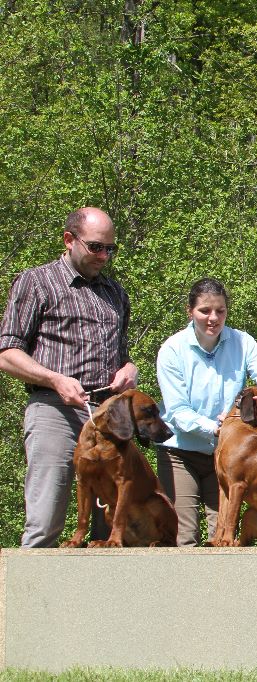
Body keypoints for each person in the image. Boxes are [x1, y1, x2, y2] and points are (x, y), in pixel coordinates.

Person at [0, 207, 137, 547]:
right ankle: (30, 600)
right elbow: (6, 353)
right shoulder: (36, 281)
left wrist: (129, 370)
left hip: (107, 414)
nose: (104, 256)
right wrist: (55, 379)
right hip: (53, 410)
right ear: (69, 240)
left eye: (110, 249)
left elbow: (122, 356)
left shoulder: (115, 293)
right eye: (95, 247)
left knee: (112, 529)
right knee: (46, 520)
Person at [156, 278, 257, 546]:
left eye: (220, 311)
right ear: (189, 311)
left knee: (223, 536)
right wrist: (217, 427)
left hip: (230, 455)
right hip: (182, 452)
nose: (213, 318)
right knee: (186, 537)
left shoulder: (242, 341)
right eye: (205, 310)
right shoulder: (172, 350)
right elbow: (178, 411)